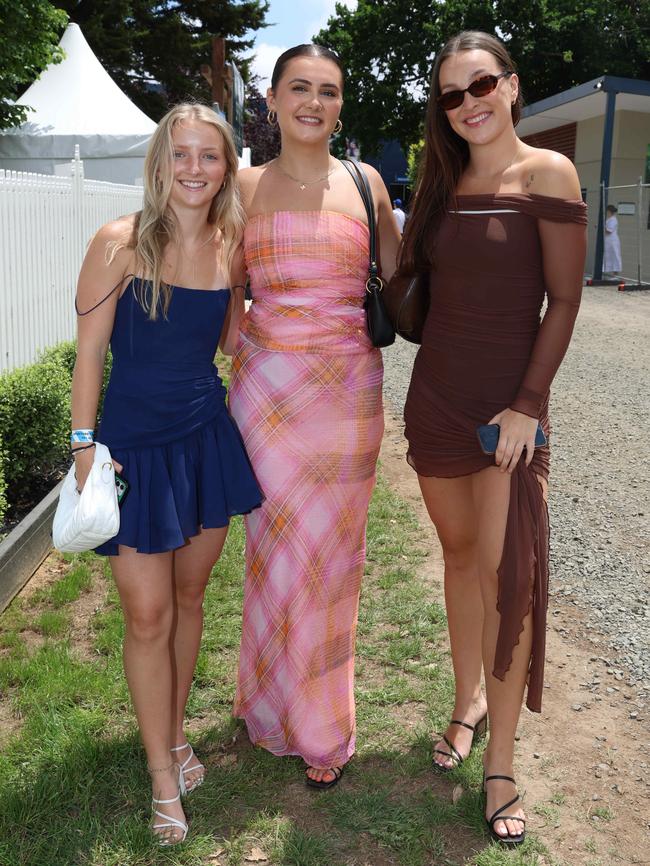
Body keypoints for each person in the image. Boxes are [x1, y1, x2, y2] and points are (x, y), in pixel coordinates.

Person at [398, 31, 586, 845]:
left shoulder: (548, 172)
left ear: (511, 85)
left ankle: (501, 761)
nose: (468, 104)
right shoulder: (440, 181)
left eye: (480, 86)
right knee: (461, 561)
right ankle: (465, 700)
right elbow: (419, 298)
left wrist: (527, 406)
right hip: (436, 402)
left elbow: (565, 301)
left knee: (510, 582)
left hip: (508, 416)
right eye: (450, 95)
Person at [70, 104, 262, 845]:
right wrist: (86, 446)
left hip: (204, 443)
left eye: (208, 157)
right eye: (179, 155)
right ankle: (160, 771)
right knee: (147, 613)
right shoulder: (117, 242)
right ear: (160, 162)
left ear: (225, 166)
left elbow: (225, 338)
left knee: (188, 597)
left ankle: (176, 735)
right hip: (132, 453)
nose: (193, 169)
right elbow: (89, 353)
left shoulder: (230, 242)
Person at [228, 44, 401, 789]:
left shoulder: (367, 185)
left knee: (334, 560)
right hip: (267, 397)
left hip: (347, 396)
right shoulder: (240, 185)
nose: (313, 102)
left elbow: (399, 281)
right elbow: (219, 287)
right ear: (270, 100)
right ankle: (267, 703)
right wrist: (256, 350)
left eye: (328, 91)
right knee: (275, 551)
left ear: (339, 105)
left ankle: (322, 723)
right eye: (299, 88)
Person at [603, 204, 622, 276]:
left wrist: (601, 227)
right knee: (607, 256)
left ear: (609, 211)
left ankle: (615, 274)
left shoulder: (613, 220)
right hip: (608, 240)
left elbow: (609, 230)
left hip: (613, 241)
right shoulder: (609, 219)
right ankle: (606, 272)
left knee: (615, 255)